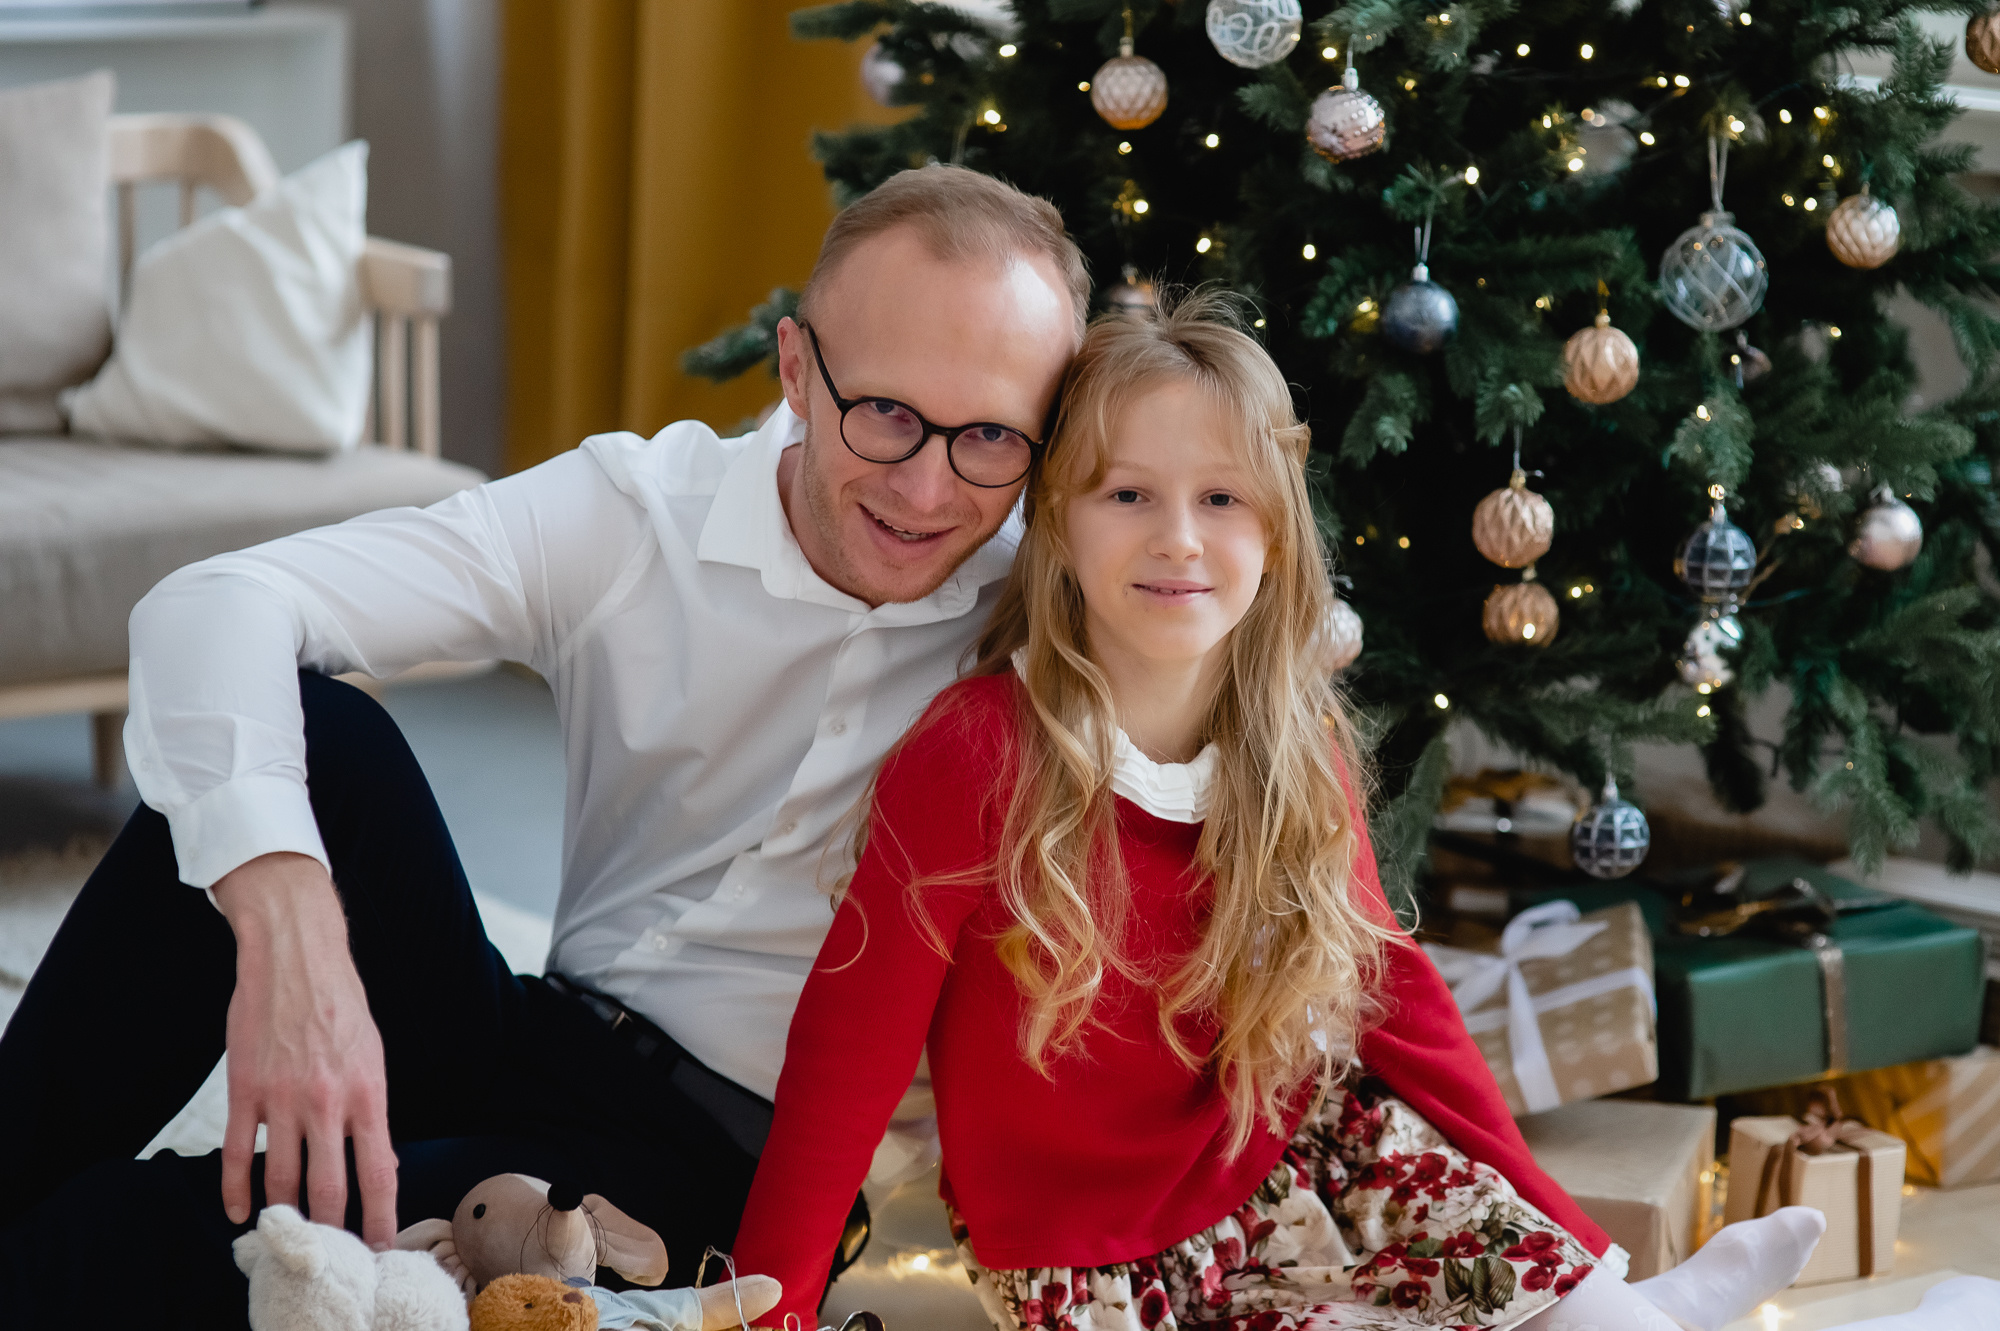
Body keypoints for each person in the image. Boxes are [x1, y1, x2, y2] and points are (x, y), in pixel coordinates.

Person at [728, 295, 2000, 1331]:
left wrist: (1563, 1231)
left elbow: (1395, 1004)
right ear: (1055, 523)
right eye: (1127, 494)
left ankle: (1621, 1312)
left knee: (1465, 1212)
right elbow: (846, 1064)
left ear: (1276, 535)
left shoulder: (1289, 741)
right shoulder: (973, 757)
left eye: (1221, 499)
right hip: (1092, 1262)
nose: (1177, 538)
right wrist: (764, 1315)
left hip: (1295, 1155)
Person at [0, 165, 1084, 1323]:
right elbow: (213, 605)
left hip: (697, 1180)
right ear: (794, 372)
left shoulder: (1061, 605)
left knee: (113, 1245)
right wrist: (293, 933)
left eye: (988, 437)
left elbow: (1259, 630)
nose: (927, 486)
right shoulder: (640, 511)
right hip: (530, 1031)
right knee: (319, 740)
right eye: (885, 414)